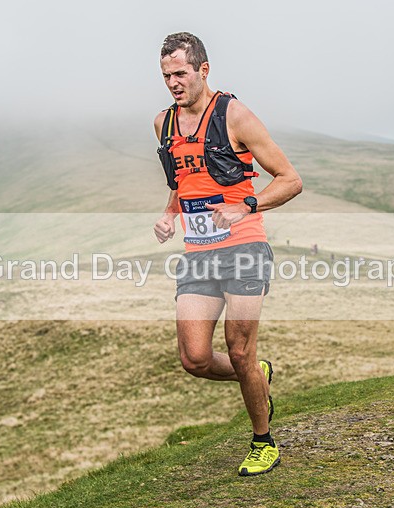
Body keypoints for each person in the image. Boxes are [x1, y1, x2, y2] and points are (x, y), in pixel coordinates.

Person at [152, 32, 302, 476]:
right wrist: (167, 216)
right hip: (198, 254)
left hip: (244, 247)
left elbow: (290, 179)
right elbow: (180, 183)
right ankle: (258, 373)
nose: (174, 83)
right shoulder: (162, 123)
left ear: (204, 70)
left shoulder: (235, 115)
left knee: (238, 351)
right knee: (194, 359)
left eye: (181, 73)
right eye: (166, 76)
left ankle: (263, 441)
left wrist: (246, 205)